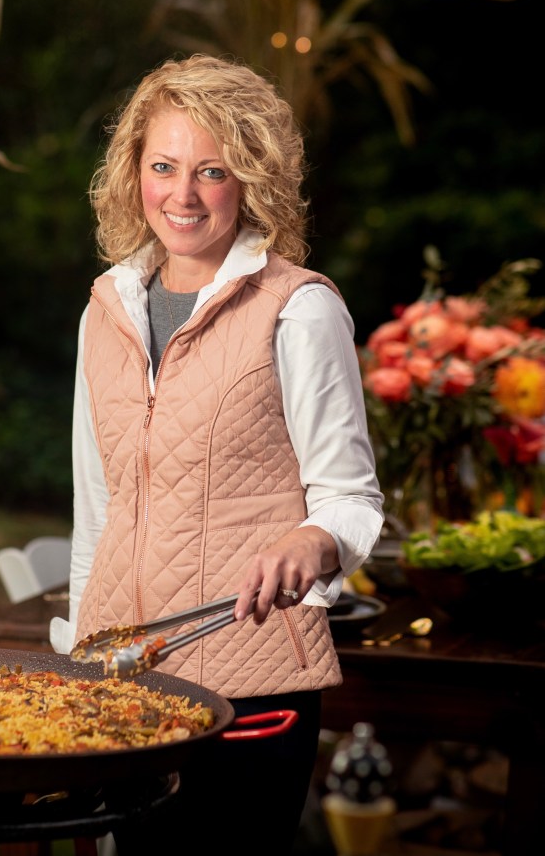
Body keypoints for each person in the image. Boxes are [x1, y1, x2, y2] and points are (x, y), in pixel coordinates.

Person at [50, 53, 384, 855]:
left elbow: (350, 496)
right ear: (134, 173)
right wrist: (79, 657)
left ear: (250, 179)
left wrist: (311, 538)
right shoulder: (104, 312)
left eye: (212, 170)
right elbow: (96, 513)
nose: (183, 194)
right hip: (123, 686)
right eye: (163, 167)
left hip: (251, 685)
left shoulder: (298, 310)